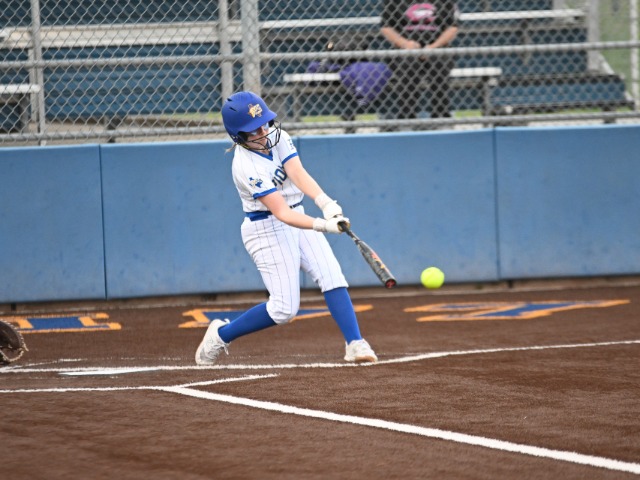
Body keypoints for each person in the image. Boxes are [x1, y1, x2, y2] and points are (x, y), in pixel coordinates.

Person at [195, 91, 378, 365]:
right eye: (253, 130)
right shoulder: (245, 167)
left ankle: (355, 343)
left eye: (264, 124)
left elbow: (297, 172)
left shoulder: (276, 136)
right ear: (238, 136)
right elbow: (281, 213)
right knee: (283, 310)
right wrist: (323, 225)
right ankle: (221, 335)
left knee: (332, 275)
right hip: (266, 229)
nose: (263, 132)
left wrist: (326, 203)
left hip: (298, 214)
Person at [379, 1, 459, 122]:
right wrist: (405, 44)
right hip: (405, 49)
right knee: (408, 65)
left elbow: (452, 27)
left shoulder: (445, 2)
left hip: (437, 47)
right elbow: (386, 27)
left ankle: (441, 115)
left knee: (439, 64)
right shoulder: (394, 2)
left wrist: (432, 47)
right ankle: (407, 116)